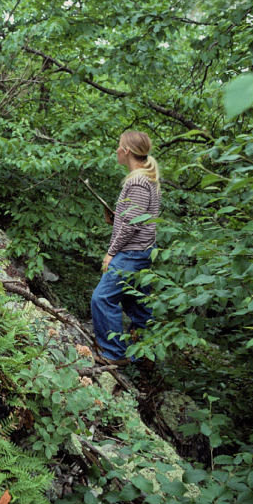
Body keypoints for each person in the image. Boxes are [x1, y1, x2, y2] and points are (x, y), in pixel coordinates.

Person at [91, 131, 161, 365]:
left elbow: (132, 225)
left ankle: (114, 354)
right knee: (136, 303)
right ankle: (142, 355)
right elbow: (136, 217)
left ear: (127, 151)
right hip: (142, 251)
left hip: (132, 252)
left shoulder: (138, 181)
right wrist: (116, 218)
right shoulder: (145, 179)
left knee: (102, 298)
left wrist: (111, 253)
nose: (117, 151)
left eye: (119, 147)